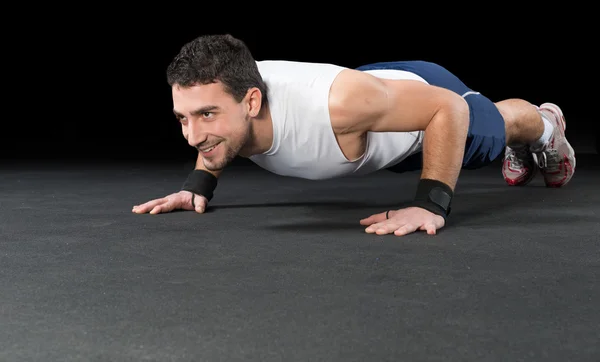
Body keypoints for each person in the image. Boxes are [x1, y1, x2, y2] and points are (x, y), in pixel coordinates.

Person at [131, 34, 576, 236]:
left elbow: (448, 108)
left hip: (428, 109)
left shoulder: (337, 106)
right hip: (372, 121)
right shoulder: (224, 95)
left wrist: (430, 204)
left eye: (205, 115)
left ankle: (544, 128)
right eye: (182, 119)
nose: (192, 136)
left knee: (492, 130)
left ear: (251, 102)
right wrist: (199, 183)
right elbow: (206, 125)